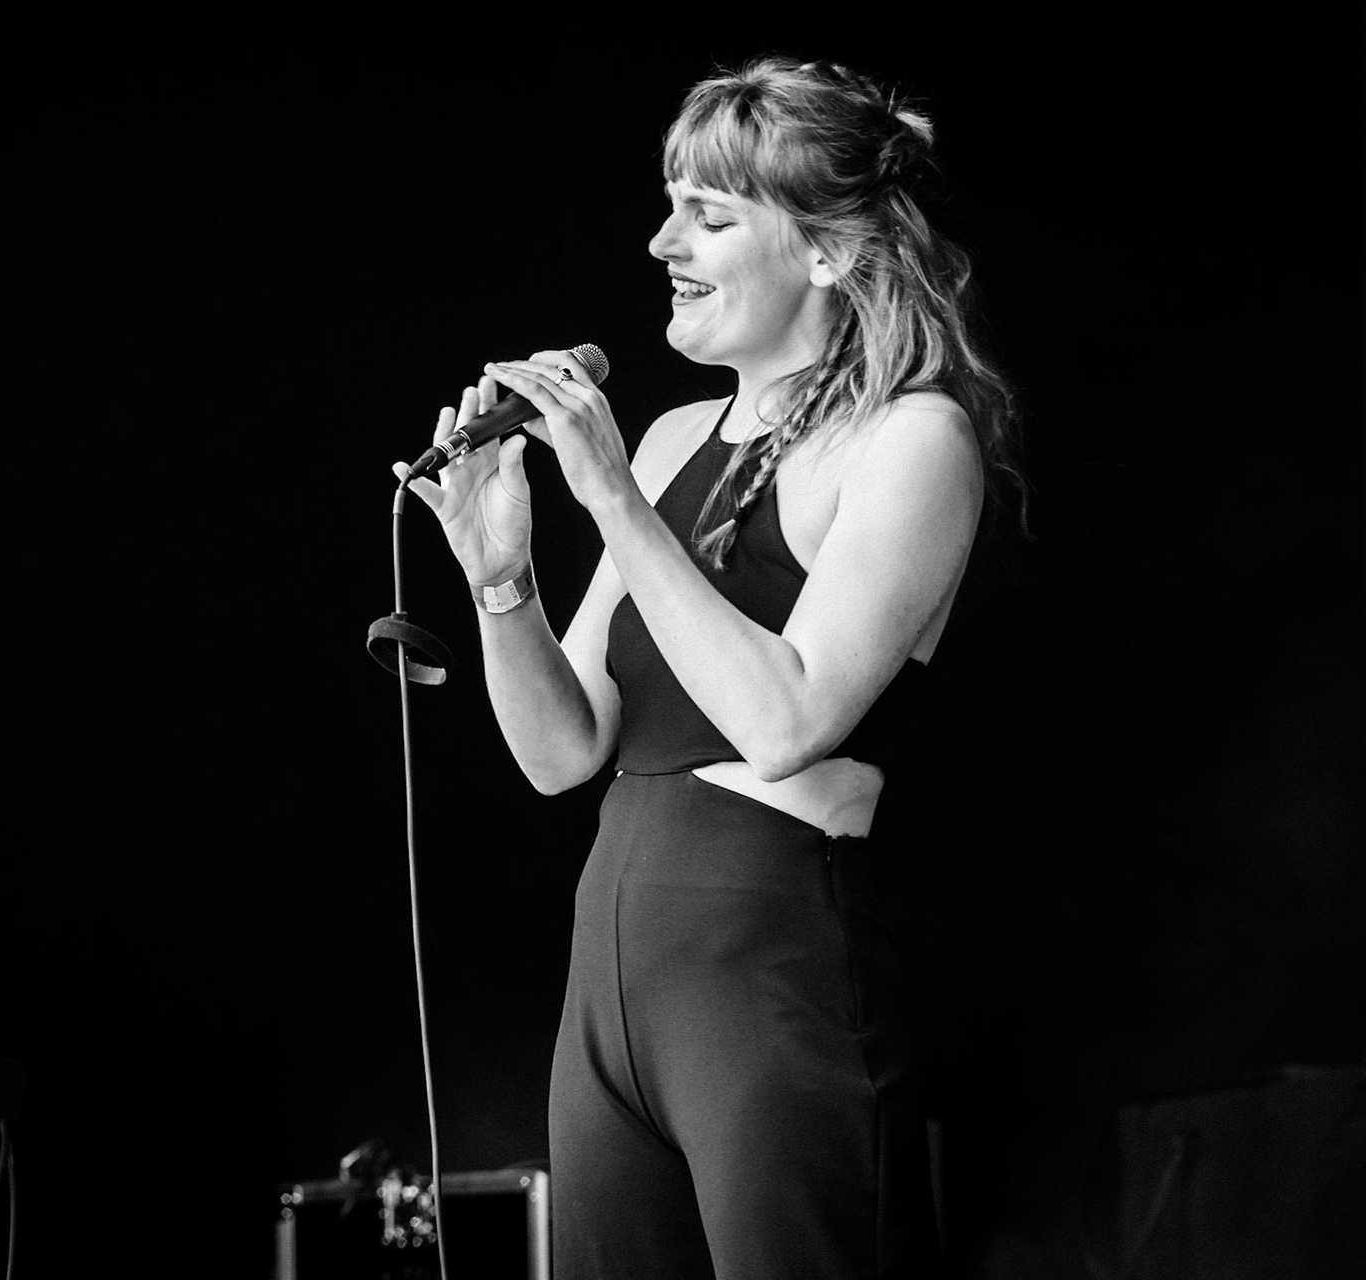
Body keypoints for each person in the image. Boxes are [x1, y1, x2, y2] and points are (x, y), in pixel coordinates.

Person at [392, 56, 1020, 1278]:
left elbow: (789, 716)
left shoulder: (913, 437)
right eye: (669, 201)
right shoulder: (680, 433)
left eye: (710, 214)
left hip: (770, 954)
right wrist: (498, 573)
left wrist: (614, 497)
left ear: (828, 252)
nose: (660, 240)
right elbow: (562, 752)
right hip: (612, 959)